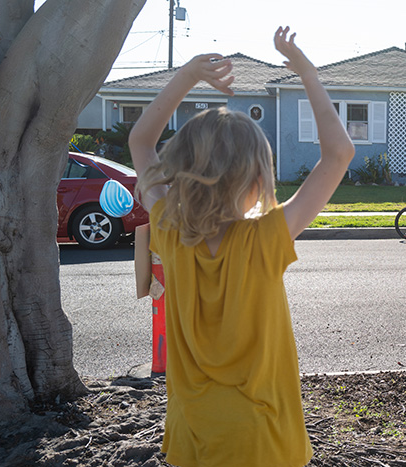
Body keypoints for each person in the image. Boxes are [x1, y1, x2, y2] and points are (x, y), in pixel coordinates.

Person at [128, 26, 355, 467]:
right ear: (256, 179)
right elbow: (338, 153)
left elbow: (140, 140)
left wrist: (189, 76)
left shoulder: (169, 232)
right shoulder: (268, 237)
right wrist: (306, 71)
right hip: (263, 439)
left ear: (180, 169)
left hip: (193, 435)